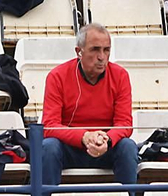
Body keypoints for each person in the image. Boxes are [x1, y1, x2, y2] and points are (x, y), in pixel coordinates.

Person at [37, 23, 139, 190]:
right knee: (48, 147)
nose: (102, 57)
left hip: (105, 145)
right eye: (95, 49)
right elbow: (49, 126)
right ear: (79, 52)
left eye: (106, 50)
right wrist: (84, 137)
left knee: (128, 146)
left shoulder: (120, 76)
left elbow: (125, 124)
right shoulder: (57, 76)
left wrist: (107, 139)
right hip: (69, 148)